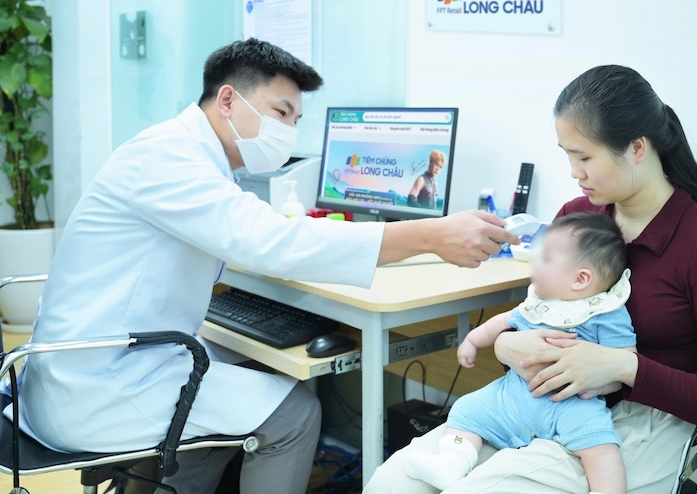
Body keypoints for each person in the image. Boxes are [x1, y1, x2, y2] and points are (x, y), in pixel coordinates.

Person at [2, 38, 518, 494]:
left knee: (239, 379)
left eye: (295, 120)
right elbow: (267, 241)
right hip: (96, 388)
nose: (289, 130)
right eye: (280, 112)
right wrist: (430, 234)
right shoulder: (169, 160)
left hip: (89, 364)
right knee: (295, 413)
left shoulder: (189, 156)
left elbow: (247, 234)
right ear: (228, 99)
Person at [364, 64, 697, 494]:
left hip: (643, 420)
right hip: (533, 399)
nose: (574, 171)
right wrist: (507, 343)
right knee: (392, 483)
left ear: (638, 148)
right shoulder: (576, 219)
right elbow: (533, 315)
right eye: (567, 154)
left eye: (584, 156)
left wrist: (623, 366)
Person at [405, 212, 636, 494]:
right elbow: (503, 321)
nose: (535, 262)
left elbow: (626, 361)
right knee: (466, 410)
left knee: (602, 447)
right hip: (512, 396)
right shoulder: (540, 302)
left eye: (546, 258)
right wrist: (473, 340)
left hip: (571, 404)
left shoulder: (605, 313)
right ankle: (451, 464)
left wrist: (601, 384)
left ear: (581, 279)